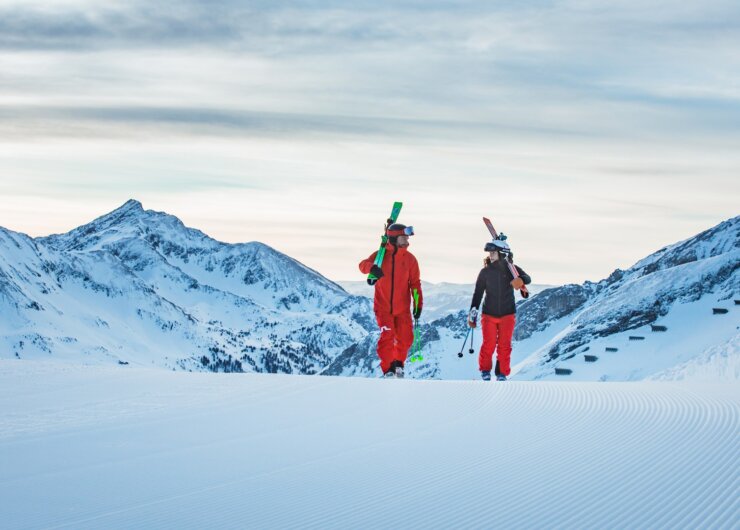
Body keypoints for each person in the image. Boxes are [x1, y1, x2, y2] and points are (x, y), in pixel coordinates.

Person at [359, 223, 423, 378]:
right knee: (387, 336)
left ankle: (398, 363)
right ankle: (388, 369)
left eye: (407, 237)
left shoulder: (410, 259)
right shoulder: (380, 255)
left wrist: (417, 304)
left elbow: (415, 284)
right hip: (382, 307)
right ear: (394, 238)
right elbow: (362, 265)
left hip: (402, 309)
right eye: (404, 237)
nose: (407, 240)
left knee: (406, 338)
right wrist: (372, 268)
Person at [468, 239, 531, 381]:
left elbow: (528, 278)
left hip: (507, 314)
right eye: (490, 252)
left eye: (493, 252)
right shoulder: (485, 272)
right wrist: (473, 313)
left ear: (501, 253)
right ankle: (485, 371)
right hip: (488, 314)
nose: (490, 255)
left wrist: (520, 279)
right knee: (488, 344)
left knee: (504, 346)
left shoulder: (512, 269)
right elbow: (478, 293)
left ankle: (502, 373)